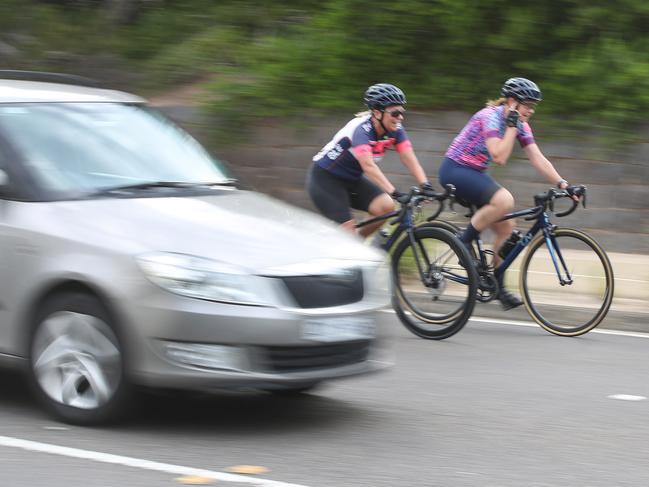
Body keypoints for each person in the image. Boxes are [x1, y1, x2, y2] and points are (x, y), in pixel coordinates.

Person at [438, 77, 572, 310]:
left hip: (475, 172)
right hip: (455, 170)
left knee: (507, 228)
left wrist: (563, 184)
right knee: (504, 200)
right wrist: (511, 126)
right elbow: (499, 157)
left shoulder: (520, 124)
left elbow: (536, 157)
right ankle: (463, 241)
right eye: (527, 104)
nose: (530, 110)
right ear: (511, 102)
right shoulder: (489, 116)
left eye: (533, 106)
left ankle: (496, 286)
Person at [307, 83, 432, 238]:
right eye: (395, 113)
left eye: (401, 112)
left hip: (351, 179)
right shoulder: (361, 130)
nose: (400, 117)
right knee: (347, 232)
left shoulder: (395, 129)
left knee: (385, 206)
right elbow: (368, 166)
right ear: (377, 113)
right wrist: (396, 193)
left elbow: (409, 158)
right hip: (325, 179)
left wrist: (425, 185)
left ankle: (358, 248)